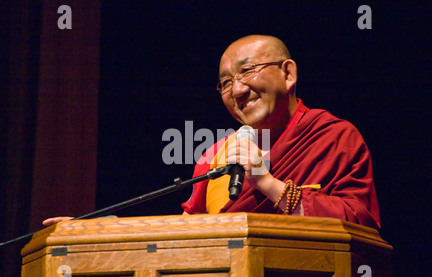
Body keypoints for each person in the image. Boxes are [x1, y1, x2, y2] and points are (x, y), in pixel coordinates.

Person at [44, 34, 380, 229]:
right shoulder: (216, 155)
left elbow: (360, 227)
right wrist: (102, 231)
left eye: (247, 72)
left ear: (288, 74)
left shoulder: (335, 138)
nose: (237, 91)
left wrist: (268, 184)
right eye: (224, 83)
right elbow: (190, 233)